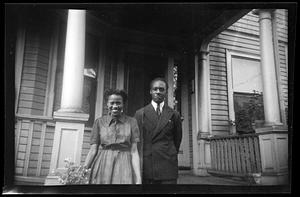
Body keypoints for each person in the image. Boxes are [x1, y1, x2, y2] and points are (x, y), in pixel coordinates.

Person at [83, 89, 141, 184]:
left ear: (123, 105)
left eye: (118, 103)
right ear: (107, 104)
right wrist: (83, 171)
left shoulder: (132, 122)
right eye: (112, 103)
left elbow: (134, 151)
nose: (115, 106)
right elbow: (93, 150)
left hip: (124, 163)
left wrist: (138, 178)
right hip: (103, 163)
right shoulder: (99, 122)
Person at [134, 77, 182, 184]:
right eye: (155, 89)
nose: (158, 92)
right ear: (150, 91)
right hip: (148, 166)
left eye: (161, 89)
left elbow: (177, 140)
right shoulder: (140, 114)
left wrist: (169, 153)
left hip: (168, 166)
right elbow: (137, 142)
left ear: (166, 92)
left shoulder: (174, 114)